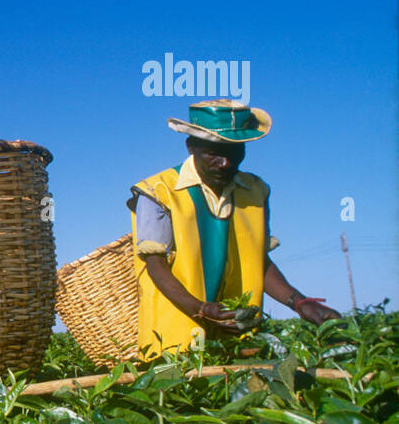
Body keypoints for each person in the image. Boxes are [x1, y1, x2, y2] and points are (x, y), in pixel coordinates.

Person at [128, 99, 341, 357]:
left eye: (234, 152)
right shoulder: (158, 191)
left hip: (238, 334)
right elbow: (155, 266)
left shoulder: (255, 190)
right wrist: (201, 309)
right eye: (213, 153)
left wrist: (300, 303)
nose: (226, 163)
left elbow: (258, 261)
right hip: (174, 341)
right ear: (191, 146)